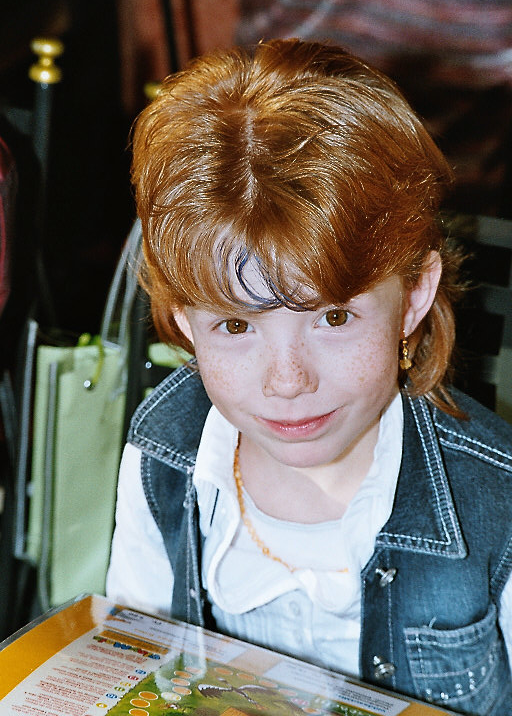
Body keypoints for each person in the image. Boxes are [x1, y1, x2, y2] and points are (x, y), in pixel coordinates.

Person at [106, 38, 512, 715]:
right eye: (236, 326)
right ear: (183, 321)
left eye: (333, 318)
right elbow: (129, 666)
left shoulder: (494, 499)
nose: (288, 380)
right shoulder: (164, 452)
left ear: (414, 295)